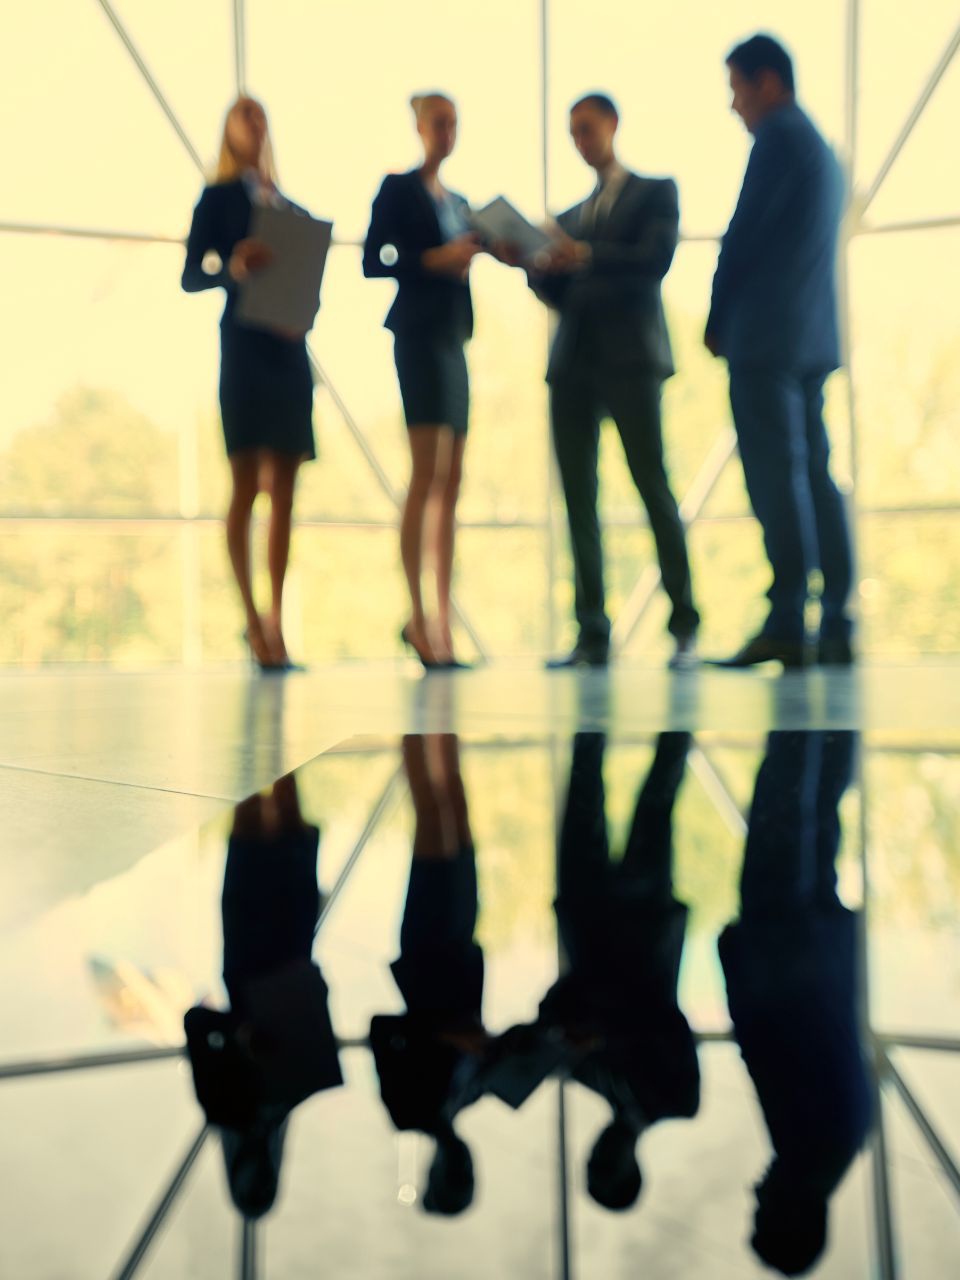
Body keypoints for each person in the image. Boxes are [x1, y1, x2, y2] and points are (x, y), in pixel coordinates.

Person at [515, 94, 699, 670]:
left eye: (587, 128)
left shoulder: (656, 192)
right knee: (578, 499)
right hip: (573, 364)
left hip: (630, 360)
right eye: (573, 133)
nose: (581, 141)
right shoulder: (566, 219)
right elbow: (560, 295)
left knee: (652, 485)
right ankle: (592, 632)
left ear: (612, 124)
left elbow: (654, 260)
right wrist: (534, 266)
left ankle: (685, 624)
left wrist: (585, 253)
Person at [485, 733, 699, 1210]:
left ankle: (602, 668)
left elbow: (562, 998)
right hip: (639, 924)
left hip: (595, 920)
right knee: (655, 796)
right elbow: (668, 1026)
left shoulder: (585, 1072)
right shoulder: (675, 1098)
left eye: (591, 1162)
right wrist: (593, 1035)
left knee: (591, 788)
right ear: (633, 1169)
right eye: (607, 1166)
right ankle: (677, 668)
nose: (599, 1152)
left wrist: (556, 1031)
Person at [705, 35, 856, 669]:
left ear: (768, 82)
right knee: (814, 471)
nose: (734, 106)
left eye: (737, 89)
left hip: (766, 339)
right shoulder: (821, 149)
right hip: (811, 336)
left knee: (776, 475)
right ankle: (836, 609)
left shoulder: (777, 140)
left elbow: (742, 236)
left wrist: (717, 319)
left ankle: (787, 613)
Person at [719, 731, 872, 1274]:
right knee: (782, 805)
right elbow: (765, 1038)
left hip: (820, 942)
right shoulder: (804, 1146)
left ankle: (832, 666)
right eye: (761, 1216)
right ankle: (797, 675)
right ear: (790, 1219)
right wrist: (733, 953)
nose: (754, 1200)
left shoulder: (843, 1145)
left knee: (819, 809)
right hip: (783, 941)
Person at [182, 96, 316, 672]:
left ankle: (277, 621)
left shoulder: (289, 207)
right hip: (242, 350)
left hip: (287, 349)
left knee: (286, 487)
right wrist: (230, 268)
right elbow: (192, 274)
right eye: (245, 115)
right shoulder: (216, 199)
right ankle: (251, 617)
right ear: (228, 129)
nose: (256, 124)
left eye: (262, 115)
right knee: (245, 482)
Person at [184, 775, 341, 1220]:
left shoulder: (225, 1105)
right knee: (286, 813)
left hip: (254, 949)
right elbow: (199, 1024)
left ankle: (265, 720)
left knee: (255, 808)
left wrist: (242, 1032)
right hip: (286, 951)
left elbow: (196, 1021)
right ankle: (274, 721)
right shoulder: (275, 1099)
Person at [363, 94, 482, 670]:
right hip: (417, 336)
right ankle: (418, 615)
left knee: (452, 479)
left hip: (455, 338)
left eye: (453, 123)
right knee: (426, 472)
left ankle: (442, 617)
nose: (446, 132)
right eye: (438, 122)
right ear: (418, 126)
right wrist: (433, 259)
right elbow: (374, 258)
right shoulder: (399, 189)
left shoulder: (460, 201)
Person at [369, 735, 488, 1214]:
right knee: (455, 810)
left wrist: (447, 1036)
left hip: (427, 950)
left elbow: (382, 1030)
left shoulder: (408, 1109)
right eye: (469, 1174)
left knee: (434, 816)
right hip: (457, 949)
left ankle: (415, 721)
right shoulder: (471, 1094)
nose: (463, 1164)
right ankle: (440, 706)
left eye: (454, 1175)